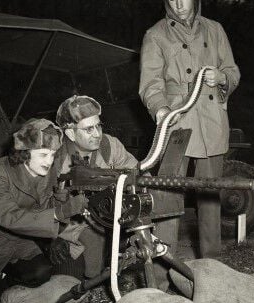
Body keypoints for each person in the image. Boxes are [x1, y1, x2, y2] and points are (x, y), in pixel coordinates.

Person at [139, 0, 240, 257]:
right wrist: (160, 111)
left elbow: (233, 70)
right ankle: (163, 264)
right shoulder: (155, 35)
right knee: (168, 196)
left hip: (211, 122)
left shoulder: (215, 29)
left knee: (210, 198)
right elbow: (150, 85)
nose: (179, 5)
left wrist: (221, 78)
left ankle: (211, 266)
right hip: (176, 123)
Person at [0, 118, 87, 303]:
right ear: (24, 153)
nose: (49, 161)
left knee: (42, 272)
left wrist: (60, 200)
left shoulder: (48, 172)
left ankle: (8, 276)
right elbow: (8, 217)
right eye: (43, 154)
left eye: (52, 154)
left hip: (20, 239)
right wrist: (58, 214)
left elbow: (43, 206)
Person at [55, 95, 183, 290]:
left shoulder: (108, 145)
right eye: (89, 129)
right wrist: (54, 238)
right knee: (71, 280)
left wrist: (153, 187)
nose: (97, 134)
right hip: (71, 228)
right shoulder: (54, 157)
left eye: (99, 126)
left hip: (108, 219)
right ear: (71, 134)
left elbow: (137, 172)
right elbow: (40, 206)